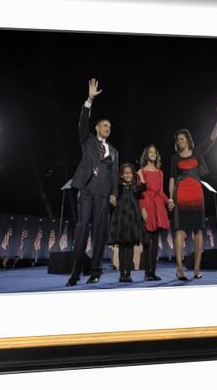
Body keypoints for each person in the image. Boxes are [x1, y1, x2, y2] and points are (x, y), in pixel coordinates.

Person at [66, 78, 119, 286]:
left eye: (110, 126)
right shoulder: (87, 140)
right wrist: (89, 99)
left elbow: (115, 173)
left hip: (105, 194)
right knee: (81, 230)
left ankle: (95, 271)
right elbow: (82, 123)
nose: (108, 128)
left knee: (100, 233)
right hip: (87, 190)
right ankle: (75, 272)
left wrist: (114, 192)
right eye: (105, 125)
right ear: (97, 127)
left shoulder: (114, 151)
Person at [168, 100, 217, 280]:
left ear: (188, 139)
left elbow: (212, 138)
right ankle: (179, 269)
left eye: (183, 138)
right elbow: (171, 179)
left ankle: (197, 269)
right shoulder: (174, 158)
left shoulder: (197, 152)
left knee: (198, 231)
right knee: (179, 231)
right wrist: (170, 198)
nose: (180, 141)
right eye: (178, 139)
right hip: (180, 196)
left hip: (196, 195)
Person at [108, 163, 147, 282]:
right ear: (121, 175)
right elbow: (113, 195)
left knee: (130, 246)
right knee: (121, 246)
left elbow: (144, 187)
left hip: (132, 219)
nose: (128, 175)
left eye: (130, 173)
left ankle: (128, 273)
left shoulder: (135, 186)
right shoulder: (119, 187)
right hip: (121, 219)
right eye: (125, 173)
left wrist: (140, 175)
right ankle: (121, 273)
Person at [137, 144, 170, 281]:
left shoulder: (160, 172)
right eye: (150, 152)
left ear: (156, 155)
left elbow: (161, 192)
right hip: (146, 204)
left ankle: (153, 272)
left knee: (156, 241)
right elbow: (139, 192)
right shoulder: (141, 172)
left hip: (158, 206)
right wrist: (142, 209)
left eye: (154, 152)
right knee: (147, 241)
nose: (152, 154)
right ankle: (146, 273)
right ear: (146, 154)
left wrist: (168, 202)